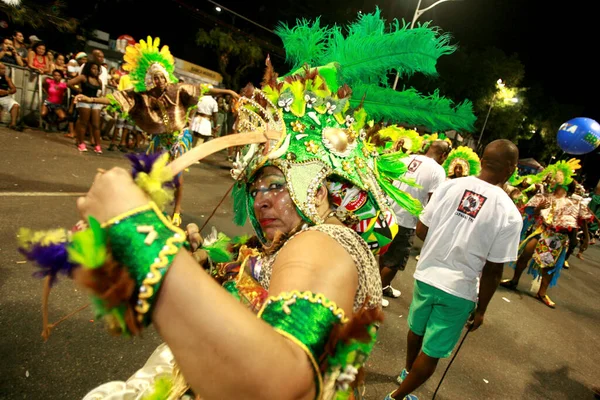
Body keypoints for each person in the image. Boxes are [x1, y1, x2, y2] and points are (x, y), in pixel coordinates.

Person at [385, 140, 522, 400]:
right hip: (459, 290)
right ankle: (397, 397)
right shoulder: (509, 213)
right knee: (433, 350)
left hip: (426, 275)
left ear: (482, 159)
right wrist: (481, 309)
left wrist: (444, 239)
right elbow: (494, 269)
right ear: (512, 169)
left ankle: (406, 372)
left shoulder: (449, 186)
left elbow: (422, 230)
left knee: (417, 329)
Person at [74, 37, 238, 226]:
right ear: (150, 79)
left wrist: (228, 92)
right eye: (155, 77)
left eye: (161, 76)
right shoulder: (144, 97)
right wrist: (91, 99)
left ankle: (177, 210)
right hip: (160, 139)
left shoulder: (177, 89)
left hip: (179, 140)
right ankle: (150, 206)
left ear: (167, 76)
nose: (159, 80)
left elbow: (203, 89)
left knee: (177, 177)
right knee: (150, 174)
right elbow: (116, 99)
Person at [500, 159, 592, 308]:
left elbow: (582, 222)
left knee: (548, 267)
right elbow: (533, 215)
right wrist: (539, 208)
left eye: (555, 179)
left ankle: (542, 293)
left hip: (557, 237)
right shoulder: (544, 197)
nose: (551, 181)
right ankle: (514, 280)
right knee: (525, 255)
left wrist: (585, 239)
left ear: (563, 184)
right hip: (541, 230)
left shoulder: (574, 204)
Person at [378, 140, 450, 307]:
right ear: (443, 155)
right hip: (406, 220)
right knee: (396, 260)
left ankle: (383, 286)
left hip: (388, 213)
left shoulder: (407, 158)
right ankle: (376, 292)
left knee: (385, 253)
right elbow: (434, 200)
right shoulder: (438, 171)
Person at [69, 61, 104, 153]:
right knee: (83, 123)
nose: (95, 71)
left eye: (97, 69)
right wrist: (78, 90)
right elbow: (69, 83)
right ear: (88, 68)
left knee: (96, 125)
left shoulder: (99, 81)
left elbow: (100, 93)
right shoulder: (83, 77)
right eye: (93, 68)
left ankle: (98, 144)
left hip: (95, 102)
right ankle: (81, 142)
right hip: (84, 101)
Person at [0, 62, 21, 130]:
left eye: (4, 69)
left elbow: (14, 89)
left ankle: (13, 124)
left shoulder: (6, 78)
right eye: (2, 69)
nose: (4, 70)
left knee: (15, 105)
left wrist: (7, 92)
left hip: (4, 97)